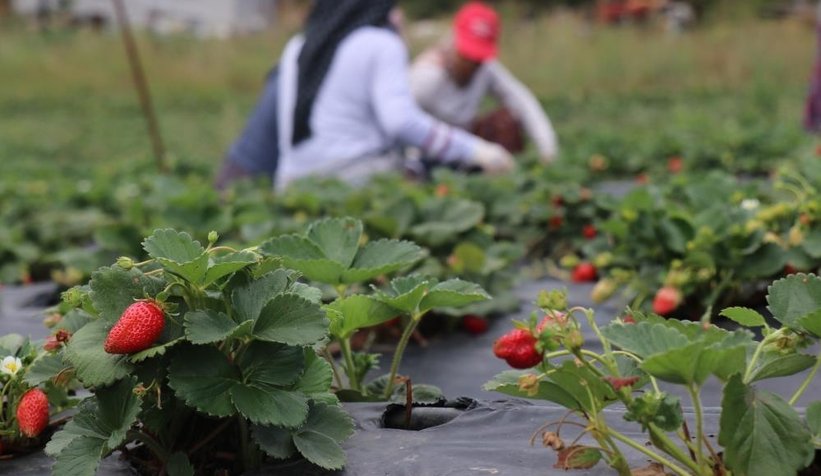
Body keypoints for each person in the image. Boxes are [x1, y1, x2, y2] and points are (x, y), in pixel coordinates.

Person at [274, 0, 514, 190]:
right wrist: (475, 150)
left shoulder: (298, 45)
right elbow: (401, 122)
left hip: (292, 180)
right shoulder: (381, 43)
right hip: (353, 178)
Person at [410, 1, 559, 164]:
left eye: (478, 59)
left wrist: (548, 150)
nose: (473, 64)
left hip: (468, 144)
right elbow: (401, 122)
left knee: (505, 122)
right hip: (429, 150)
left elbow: (522, 101)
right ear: (454, 40)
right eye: (467, 56)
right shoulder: (426, 76)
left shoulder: (486, 69)